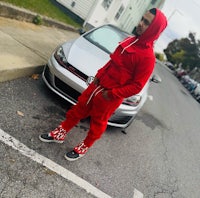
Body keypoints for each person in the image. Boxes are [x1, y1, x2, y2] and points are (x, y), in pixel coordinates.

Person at [39, 8, 167, 161]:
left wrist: (111, 94)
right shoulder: (130, 41)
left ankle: (84, 146)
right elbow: (112, 62)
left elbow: (137, 86)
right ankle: (60, 133)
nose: (140, 24)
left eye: (146, 23)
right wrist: (98, 76)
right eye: (142, 19)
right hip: (97, 85)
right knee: (78, 108)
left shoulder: (148, 58)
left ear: (154, 29)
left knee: (98, 123)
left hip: (110, 97)